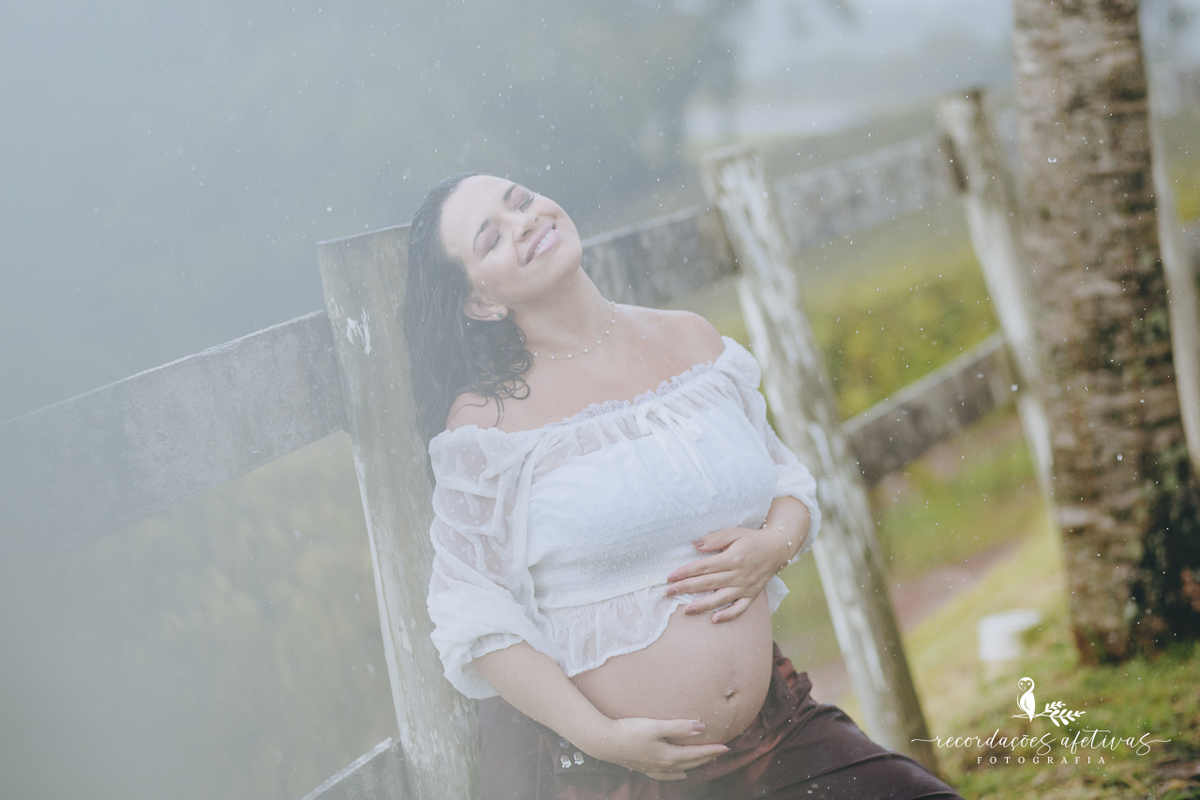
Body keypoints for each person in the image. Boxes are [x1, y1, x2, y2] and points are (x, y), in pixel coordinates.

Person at [404, 173, 962, 799]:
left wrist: (773, 546)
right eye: (492, 238)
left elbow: (789, 483)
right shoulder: (489, 422)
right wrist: (599, 737)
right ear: (481, 303)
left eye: (521, 201)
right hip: (616, 772)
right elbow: (476, 617)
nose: (524, 222)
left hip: (773, 734)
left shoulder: (691, 339)